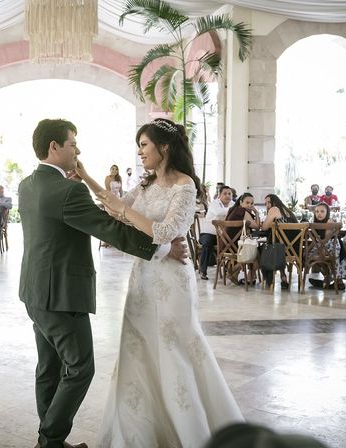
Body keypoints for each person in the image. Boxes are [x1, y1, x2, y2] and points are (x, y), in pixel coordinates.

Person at [18, 118, 187, 448]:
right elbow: (108, 229)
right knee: (80, 368)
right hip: (63, 296)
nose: (77, 150)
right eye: (72, 144)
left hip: (34, 292)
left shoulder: (27, 184)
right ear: (54, 147)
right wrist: (162, 248)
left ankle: (50, 440)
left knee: (48, 368)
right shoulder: (68, 191)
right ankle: (49, 441)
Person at [87, 118, 244, 446]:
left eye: (144, 145)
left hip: (172, 281)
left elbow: (165, 231)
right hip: (143, 275)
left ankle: (187, 428)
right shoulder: (143, 185)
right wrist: (85, 175)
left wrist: (127, 214)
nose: (140, 152)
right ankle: (138, 431)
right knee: (138, 347)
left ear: (164, 147)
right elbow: (115, 209)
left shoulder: (185, 186)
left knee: (175, 348)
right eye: (139, 146)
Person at [307, 202, 346, 288]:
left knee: (314, 254)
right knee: (311, 254)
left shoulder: (329, 221)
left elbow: (326, 239)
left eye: (322, 211)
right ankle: (328, 279)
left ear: (327, 213)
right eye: (317, 211)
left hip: (330, 246)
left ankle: (331, 280)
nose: (319, 213)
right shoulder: (314, 222)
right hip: (323, 246)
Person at [260, 194, 298, 288]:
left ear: (275, 201)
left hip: (279, 250)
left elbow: (264, 227)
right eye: (265, 204)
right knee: (277, 242)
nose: (267, 205)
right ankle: (283, 276)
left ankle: (251, 278)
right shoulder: (288, 212)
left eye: (269, 202)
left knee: (261, 249)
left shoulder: (274, 209)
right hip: (294, 249)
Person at [198, 185, 235, 280]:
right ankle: (203, 270)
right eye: (225, 193)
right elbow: (219, 212)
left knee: (235, 242)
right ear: (219, 195)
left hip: (223, 235)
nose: (227, 196)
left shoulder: (232, 204)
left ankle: (230, 269)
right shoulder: (214, 203)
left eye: (229, 193)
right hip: (209, 233)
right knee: (207, 243)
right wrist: (233, 210)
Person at [225, 192, 260, 285]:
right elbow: (256, 226)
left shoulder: (233, 209)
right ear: (241, 202)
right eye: (247, 203)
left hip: (226, 244)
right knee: (256, 253)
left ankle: (234, 274)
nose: (249, 205)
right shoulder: (243, 211)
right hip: (235, 245)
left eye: (252, 203)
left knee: (251, 249)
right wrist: (256, 213)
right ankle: (243, 275)